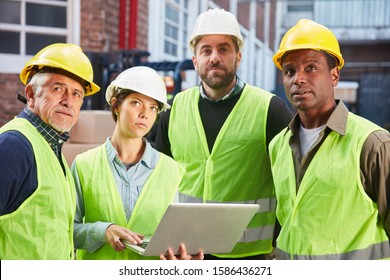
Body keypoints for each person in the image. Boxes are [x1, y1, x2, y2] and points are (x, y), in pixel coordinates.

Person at [151, 9, 293, 260]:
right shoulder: (172, 110)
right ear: (195, 60)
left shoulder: (270, 110)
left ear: (238, 57)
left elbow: (291, 186)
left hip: (251, 255)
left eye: (224, 49)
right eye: (206, 50)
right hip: (188, 251)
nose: (214, 57)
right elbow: (157, 183)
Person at [269, 19, 390, 260]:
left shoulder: (373, 144)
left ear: (334, 75)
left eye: (311, 68)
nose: (298, 79)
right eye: (290, 71)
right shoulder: (278, 146)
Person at [71, 66, 203, 260]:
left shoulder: (172, 171)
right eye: (136, 103)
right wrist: (102, 231)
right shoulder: (84, 165)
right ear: (116, 105)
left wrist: (183, 257)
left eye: (153, 108)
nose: (145, 114)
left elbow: (179, 235)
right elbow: (66, 230)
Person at [0, 43, 100, 259]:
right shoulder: (14, 146)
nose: (68, 101)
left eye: (77, 94)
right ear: (31, 94)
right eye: (57, 88)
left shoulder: (52, 149)